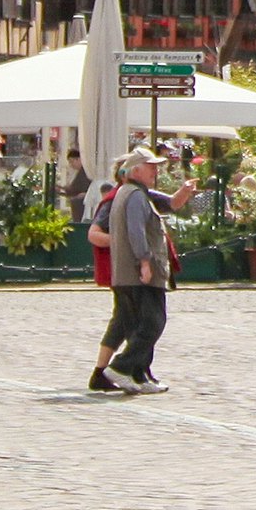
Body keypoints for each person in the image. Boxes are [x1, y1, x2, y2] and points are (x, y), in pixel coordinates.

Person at [88, 148, 186, 395]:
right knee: (152, 322)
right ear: (135, 170)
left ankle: (138, 374)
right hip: (136, 273)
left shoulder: (132, 193)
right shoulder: (133, 196)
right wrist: (144, 261)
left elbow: (172, 204)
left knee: (139, 323)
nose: (155, 171)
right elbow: (135, 231)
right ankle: (121, 368)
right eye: (151, 166)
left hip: (128, 272)